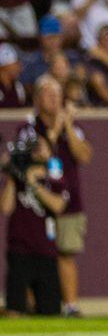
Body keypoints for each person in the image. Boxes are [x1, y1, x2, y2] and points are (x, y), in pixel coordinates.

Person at [17, 76, 92, 317]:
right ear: (37, 99)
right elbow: (36, 153)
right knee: (34, 255)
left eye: (58, 95)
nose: (55, 100)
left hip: (67, 200)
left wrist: (67, 127)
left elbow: (84, 156)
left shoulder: (72, 127)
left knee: (66, 253)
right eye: (49, 95)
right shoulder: (28, 128)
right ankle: (31, 304)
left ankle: (70, 305)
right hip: (36, 204)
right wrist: (56, 129)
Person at [0, 133, 68, 316]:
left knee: (50, 311)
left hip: (46, 250)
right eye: (33, 148)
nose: (37, 152)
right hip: (20, 249)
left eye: (40, 147)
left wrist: (34, 184)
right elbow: (5, 208)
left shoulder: (53, 174)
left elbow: (59, 205)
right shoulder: (19, 175)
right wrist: (14, 176)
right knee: (15, 309)